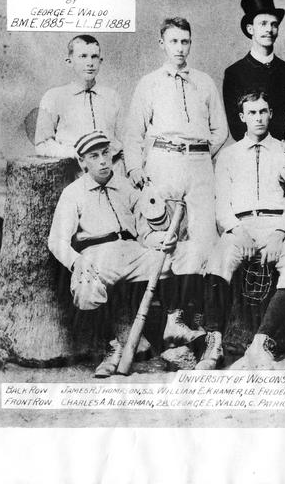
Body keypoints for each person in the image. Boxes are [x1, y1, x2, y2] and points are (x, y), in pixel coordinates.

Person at [47, 131, 202, 377]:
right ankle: (111, 348)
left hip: (131, 250)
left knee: (172, 257)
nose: (102, 161)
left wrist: (161, 240)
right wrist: (77, 261)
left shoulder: (126, 185)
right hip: (97, 254)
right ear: (82, 161)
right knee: (85, 287)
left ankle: (173, 324)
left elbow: (143, 231)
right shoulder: (73, 193)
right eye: (94, 156)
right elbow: (56, 241)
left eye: (105, 153)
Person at [124, 17, 228, 345]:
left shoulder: (204, 82)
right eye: (173, 42)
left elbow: (220, 130)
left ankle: (191, 317)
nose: (180, 49)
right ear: (162, 44)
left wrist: (196, 152)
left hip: (198, 164)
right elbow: (133, 132)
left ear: (190, 43)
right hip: (163, 161)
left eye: (185, 42)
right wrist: (135, 168)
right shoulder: (149, 83)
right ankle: (172, 317)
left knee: (202, 238)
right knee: (166, 237)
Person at [197, 91, 285, 369]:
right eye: (252, 113)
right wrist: (238, 231)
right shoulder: (228, 156)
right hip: (241, 225)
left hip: (277, 225)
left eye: (263, 111)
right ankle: (214, 343)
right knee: (218, 259)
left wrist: (279, 234)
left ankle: (262, 342)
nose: (258, 118)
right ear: (242, 117)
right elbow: (221, 204)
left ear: (271, 114)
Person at [222, 0, 285, 152]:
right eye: (263, 24)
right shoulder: (234, 73)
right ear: (250, 29)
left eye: (274, 24)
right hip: (254, 155)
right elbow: (237, 128)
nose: (269, 30)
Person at [35, 35, 123, 159]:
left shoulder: (112, 96)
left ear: (100, 61)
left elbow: (126, 140)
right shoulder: (54, 97)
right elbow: (42, 144)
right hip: (73, 169)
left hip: (112, 169)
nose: (90, 63)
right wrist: (74, 154)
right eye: (83, 56)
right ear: (69, 62)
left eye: (94, 57)